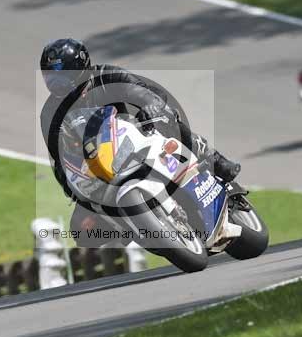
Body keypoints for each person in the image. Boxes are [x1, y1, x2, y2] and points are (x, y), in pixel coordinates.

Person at [39, 38, 240, 244]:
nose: (56, 86)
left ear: (80, 68)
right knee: (81, 230)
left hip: (137, 133)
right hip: (98, 165)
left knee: (168, 119)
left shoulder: (107, 76)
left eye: (61, 78)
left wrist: (151, 106)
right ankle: (138, 230)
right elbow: (58, 158)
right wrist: (71, 189)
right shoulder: (50, 113)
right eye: (50, 79)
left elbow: (143, 92)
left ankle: (213, 158)